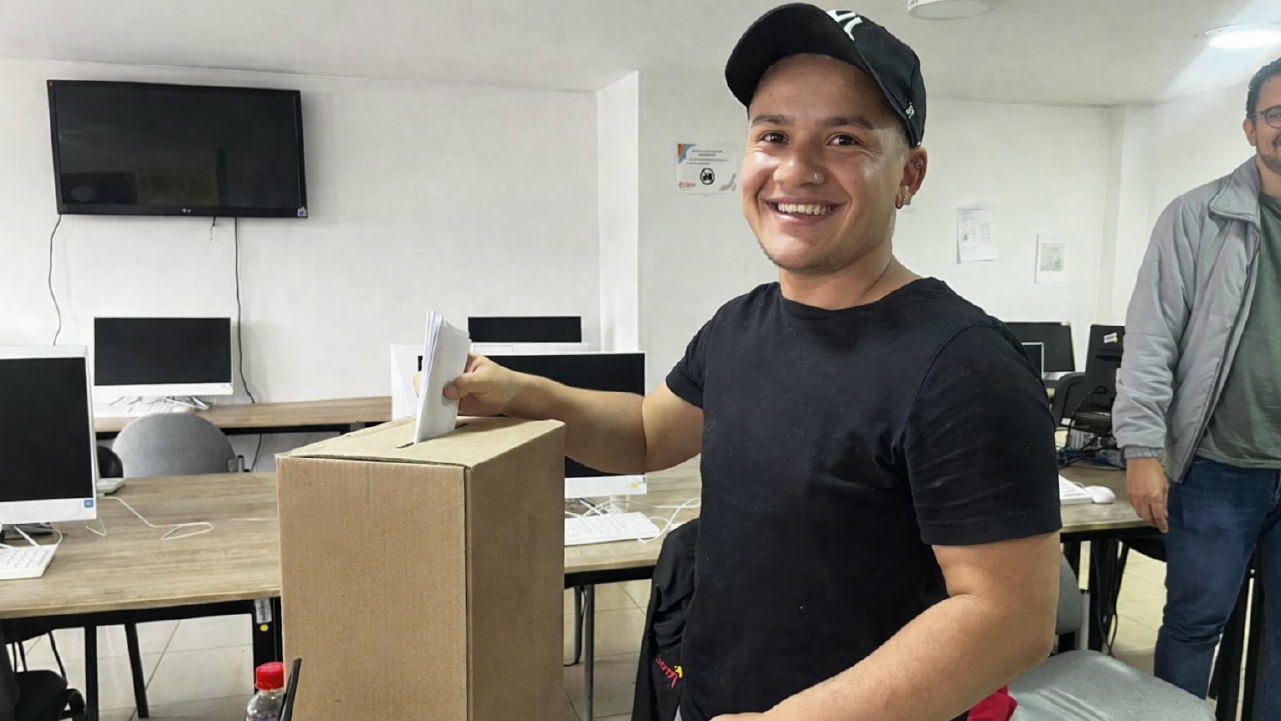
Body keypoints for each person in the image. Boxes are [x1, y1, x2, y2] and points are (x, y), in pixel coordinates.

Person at [446, 6, 1061, 720]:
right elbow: (646, 432)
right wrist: (518, 391)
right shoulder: (740, 324)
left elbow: (1008, 617)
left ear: (908, 175)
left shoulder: (962, 364)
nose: (796, 169)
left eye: (843, 138)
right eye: (772, 134)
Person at [1113, 56, 1281, 717]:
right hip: (1217, 467)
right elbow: (1151, 341)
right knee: (1191, 626)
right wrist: (1139, 449)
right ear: (1249, 128)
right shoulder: (1197, 216)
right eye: (1275, 115)